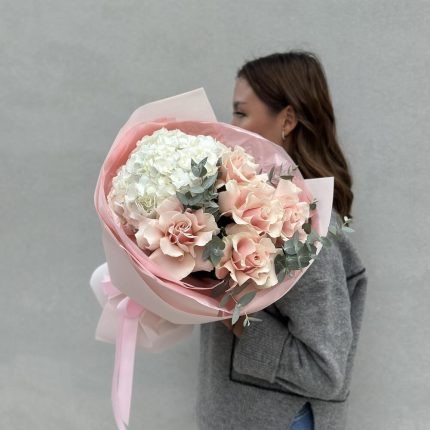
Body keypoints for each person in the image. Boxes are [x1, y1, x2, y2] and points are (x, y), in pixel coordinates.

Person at [196, 51, 368, 430]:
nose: (231, 126)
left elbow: (326, 371)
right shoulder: (241, 206)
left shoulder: (309, 229)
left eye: (241, 113)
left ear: (287, 120)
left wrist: (237, 317)